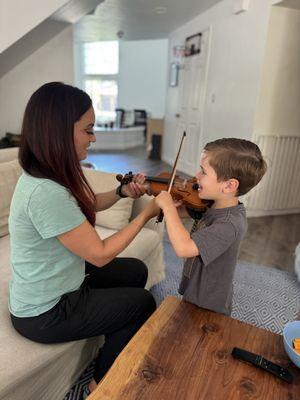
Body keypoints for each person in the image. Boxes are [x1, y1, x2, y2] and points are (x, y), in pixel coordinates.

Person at [8, 82, 159, 398]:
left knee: (135, 271)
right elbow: (100, 254)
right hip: (45, 312)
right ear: (60, 131)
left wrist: (122, 192)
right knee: (143, 302)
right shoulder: (45, 191)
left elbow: (86, 205)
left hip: (63, 281)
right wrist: (145, 215)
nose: (94, 137)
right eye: (88, 130)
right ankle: (98, 384)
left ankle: (112, 333)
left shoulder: (51, 173)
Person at [155, 138, 267, 316]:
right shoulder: (213, 204)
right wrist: (175, 208)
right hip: (195, 286)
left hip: (207, 301)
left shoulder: (229, 224)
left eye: (203, 171)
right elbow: (194, 214)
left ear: (229, 185)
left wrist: (168, 208)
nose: (196, 176)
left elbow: (184, 248)